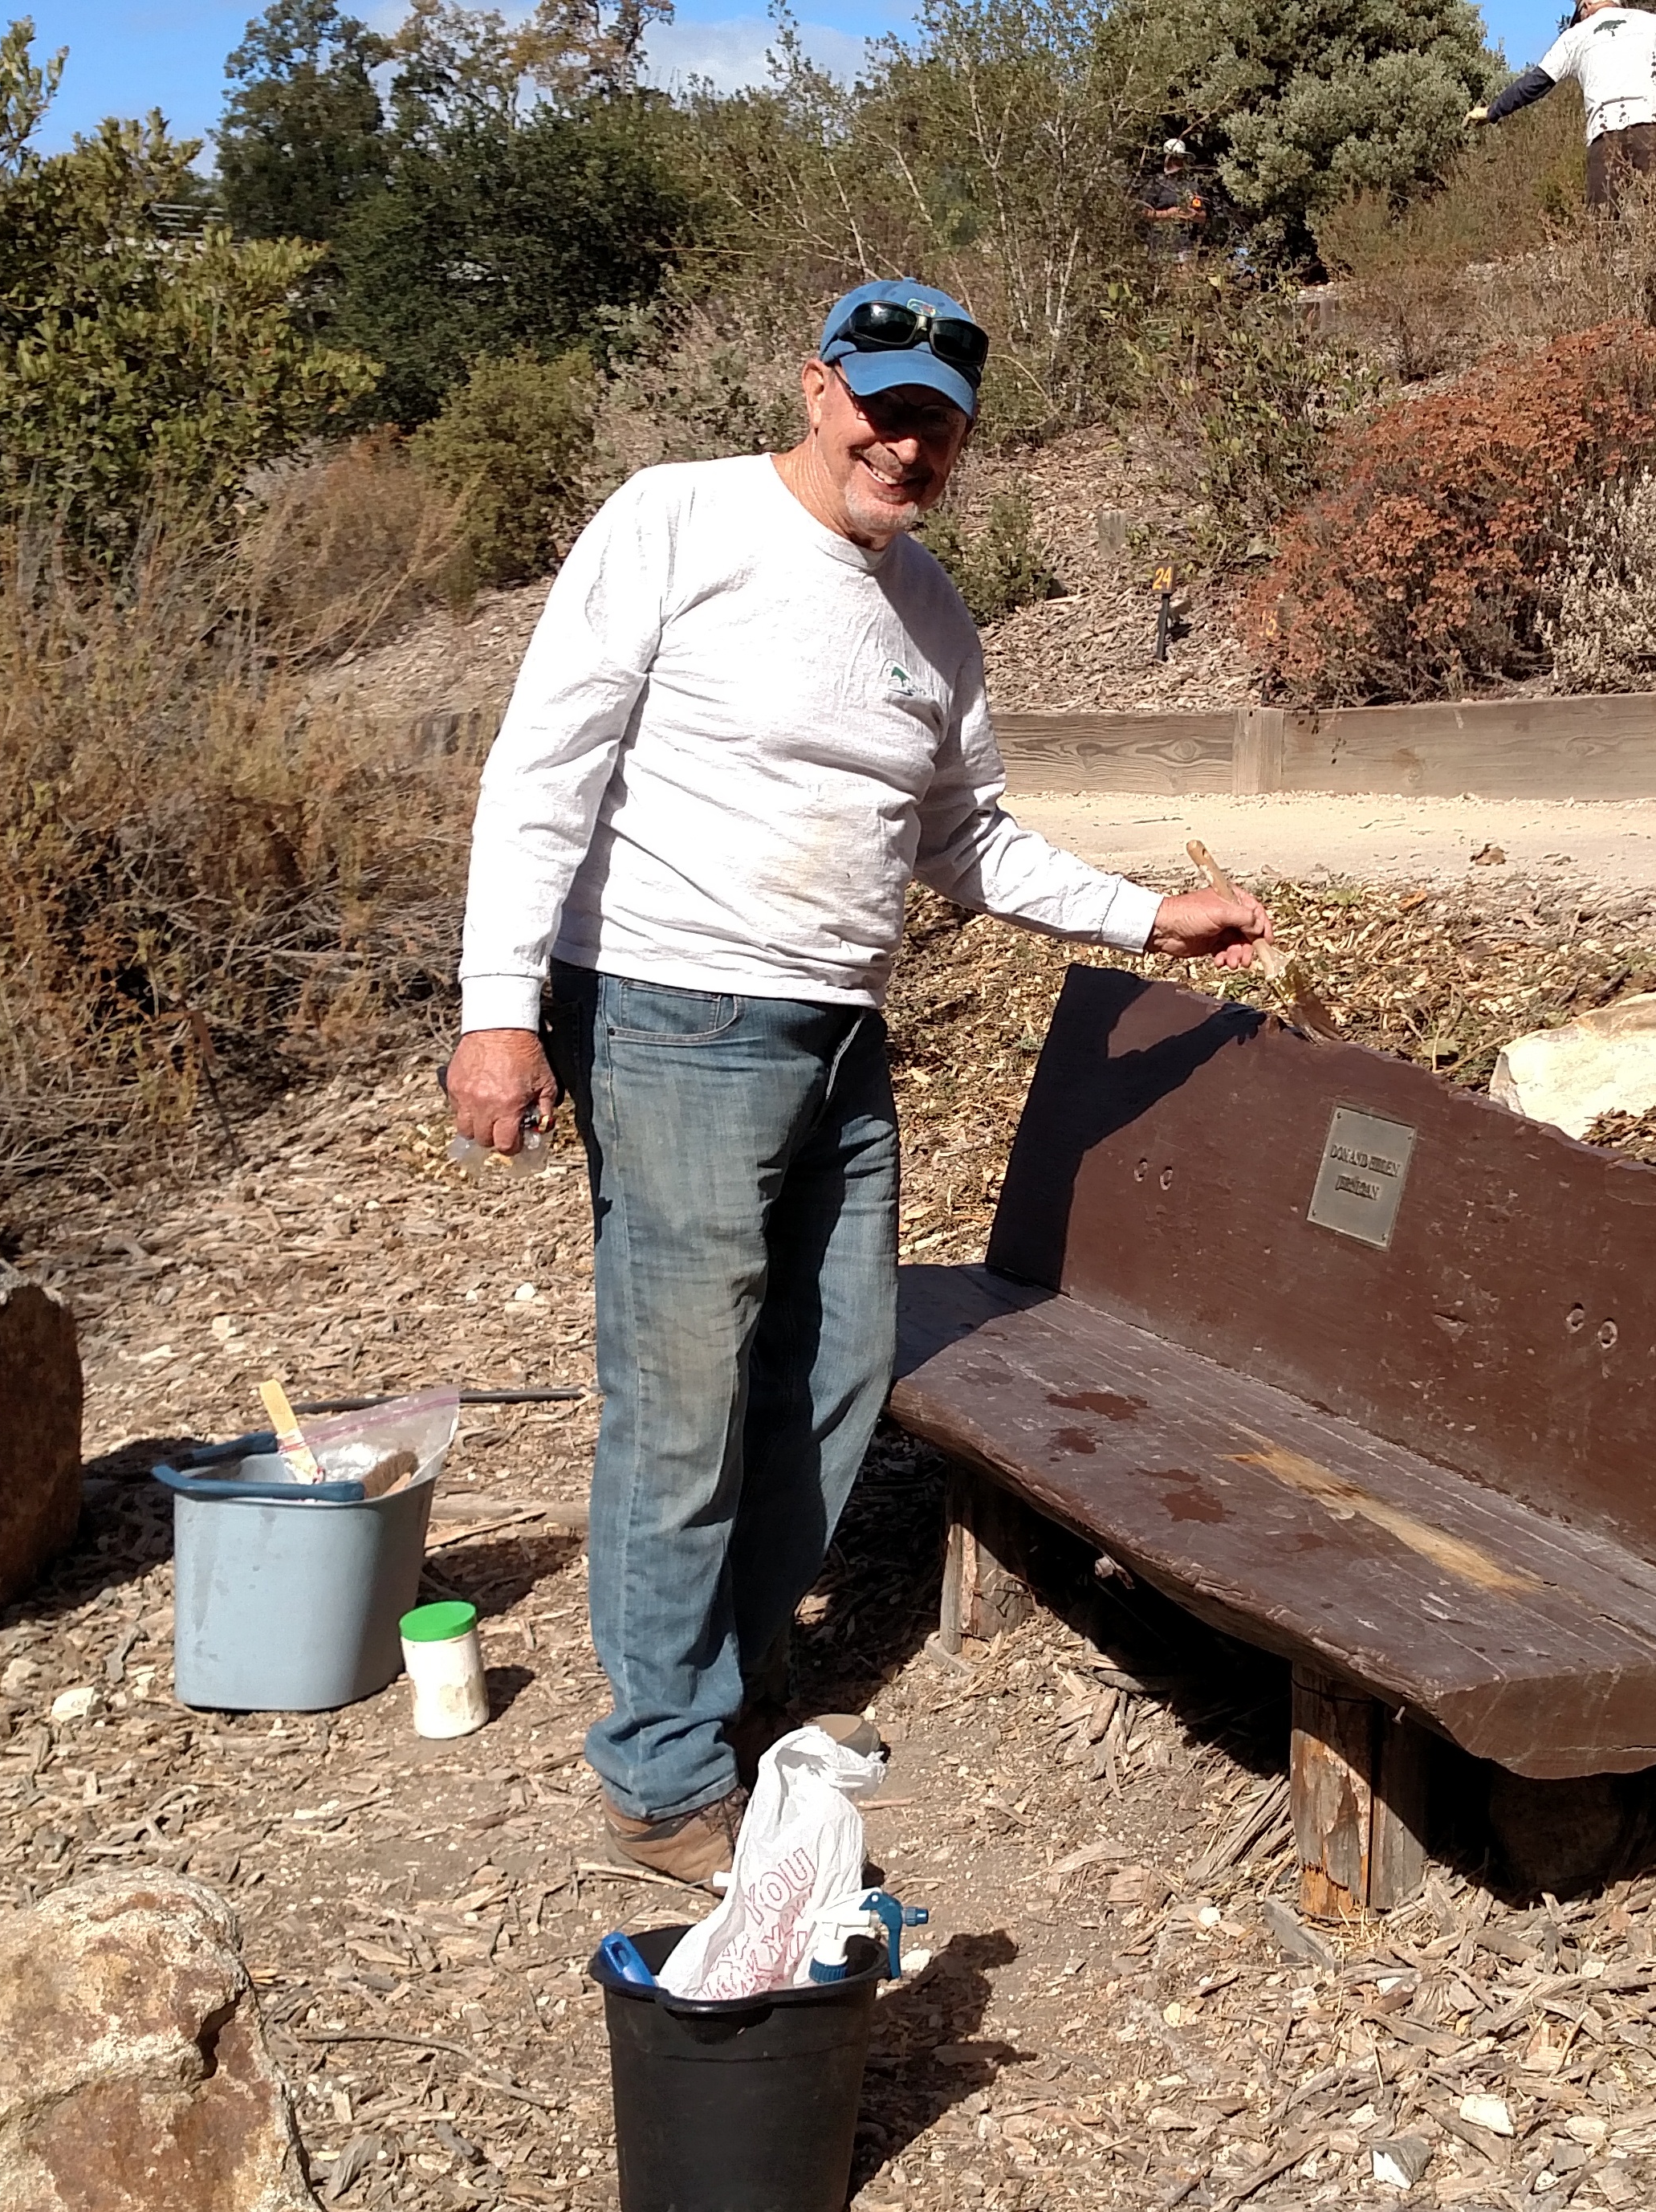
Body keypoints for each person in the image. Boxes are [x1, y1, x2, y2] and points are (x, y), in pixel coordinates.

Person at [446, 280, 1271, 1885]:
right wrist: (497, 1011)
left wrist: (1146, 917)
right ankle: (660, 1766)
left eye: (938, 423)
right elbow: (541, 768)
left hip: (837, 1035)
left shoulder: (931, 613)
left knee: (834, 1370)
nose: (906, 442)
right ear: (817, 386)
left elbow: (963, 842)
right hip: (669, 1017)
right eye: (881, 406)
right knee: (683, 1405)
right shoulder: (671, 523)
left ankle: (730, 1683)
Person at [1464, 0, 1656, 210]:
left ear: (1585, 6)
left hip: (1604, 135)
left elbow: (1535, 83)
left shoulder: (1575, 36)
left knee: (1602, 226)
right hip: (1651, 125)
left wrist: (1493, 111)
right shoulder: (1651, 22)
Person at [1138, 136, 1210, 261]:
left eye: (1180, 158)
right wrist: (1169, 214)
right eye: (1174, 158)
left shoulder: (1192, 186)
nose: (1177, 162)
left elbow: (1203, 216)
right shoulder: (1155, 183)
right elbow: (1142, 212)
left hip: (1186, 247)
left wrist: (1191, 215)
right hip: (1159, 247)